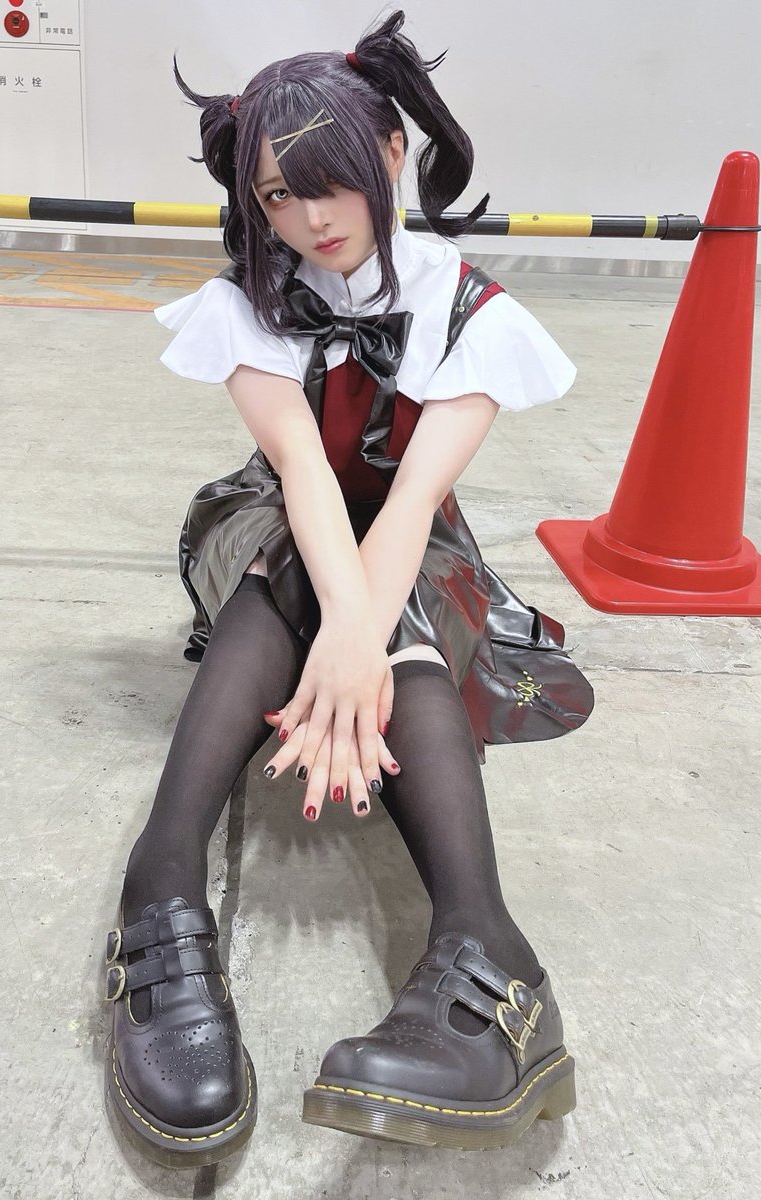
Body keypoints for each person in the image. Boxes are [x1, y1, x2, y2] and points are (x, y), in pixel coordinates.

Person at [103, 10, 593, 1168]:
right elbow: (306, 479)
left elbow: (411, 500)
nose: (308, 220)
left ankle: (485, 950)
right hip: (273, 515)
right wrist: (345, 640)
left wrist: (360, 645)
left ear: (388, 152)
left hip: (411, 530)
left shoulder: (468, 308)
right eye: (277, 196)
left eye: (326, 183)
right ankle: (162, 885)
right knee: (292, 558)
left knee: (393, 585)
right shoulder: (248, 300)